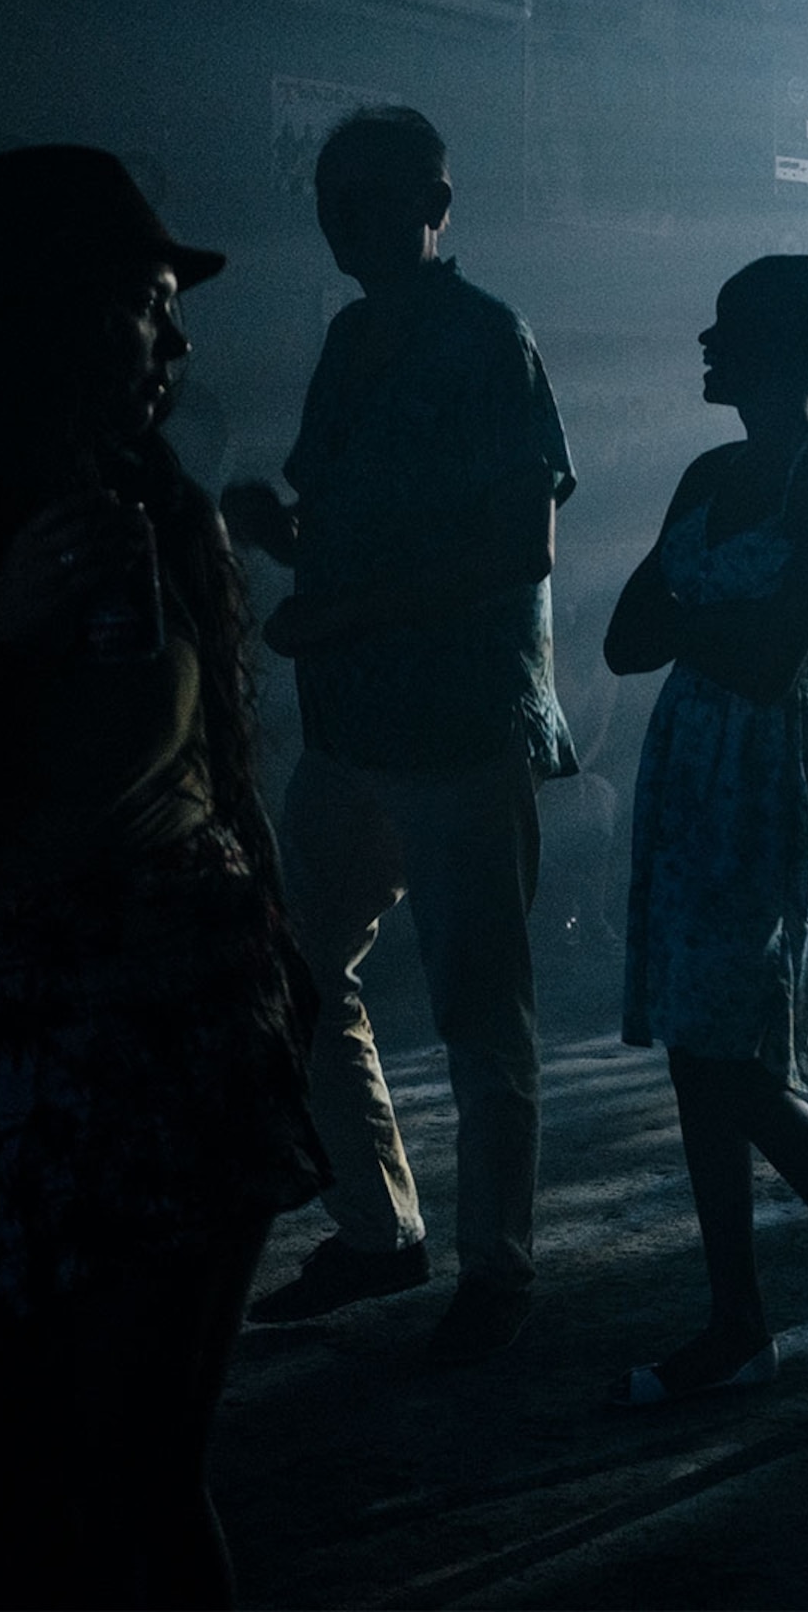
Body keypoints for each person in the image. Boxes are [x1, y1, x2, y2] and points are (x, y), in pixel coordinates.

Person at [0, 148, 327, 1605]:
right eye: (146, 303)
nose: (175, 341)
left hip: (169, 1041)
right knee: (14, 1497)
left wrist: (280, 949)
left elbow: (221, 762)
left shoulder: (160, 506)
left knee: (139, 1484)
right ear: (45, 320)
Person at [225, 106, 577, 1363]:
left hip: (456, 723)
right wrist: (281, 536)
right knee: (301, 971)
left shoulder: (487, 339)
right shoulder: (356, 338)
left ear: (435, 205)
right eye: (331, 202)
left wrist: (334, 607)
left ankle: (485, 1264)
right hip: (367, 723)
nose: (340, 223)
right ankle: (393, 1238)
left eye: (362, 200)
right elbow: (350, 536)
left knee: (476, 1011)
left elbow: (521, 549)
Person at [602, 255, 808, 1413]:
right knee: (699, 1061)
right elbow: (625, 641)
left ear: (780, 354)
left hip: (755, 778)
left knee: (731, 1066)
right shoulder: (712, 472)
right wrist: (716, 623)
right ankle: (738, 1321)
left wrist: (695, 618)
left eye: (727, 329)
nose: (706, 343)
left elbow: (768, 664)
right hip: (690, 767)